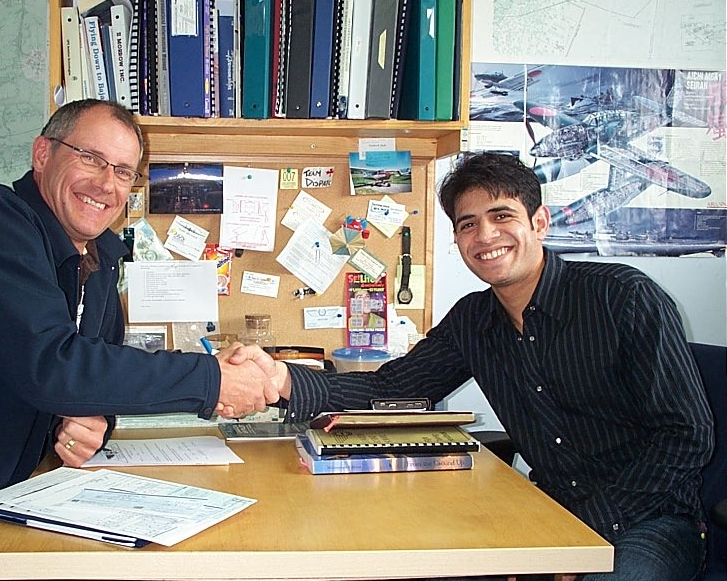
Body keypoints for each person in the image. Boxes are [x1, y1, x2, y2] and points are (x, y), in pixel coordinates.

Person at [0, 99, 277, 581]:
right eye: (91, 158)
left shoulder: (100, 259)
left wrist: (93, 422)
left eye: (124, 172)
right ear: (43, 153)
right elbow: (51, 366)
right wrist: (211, 381)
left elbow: (88, 372)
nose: (107, 184)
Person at [266, 152, 714, 581]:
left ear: (539, 222)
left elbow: (686, 435)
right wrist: (281, 379)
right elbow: (393, 388)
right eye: (468, 225)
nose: (485, 236)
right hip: (547, 507)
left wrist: (589, 523)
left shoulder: (622, 297)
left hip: (651, 519)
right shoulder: (473, 320)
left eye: (502, 216)